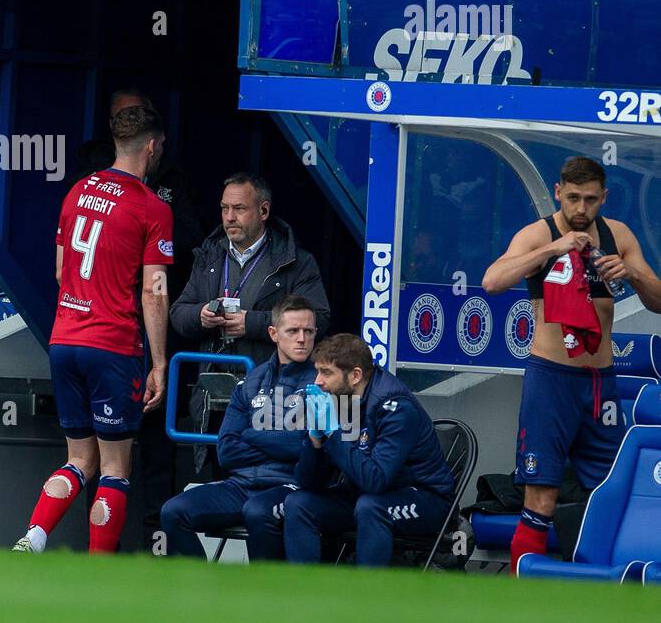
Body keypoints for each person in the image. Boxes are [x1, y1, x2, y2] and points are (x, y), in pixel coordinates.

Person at [482, 156, 661, 570]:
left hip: (600, 383)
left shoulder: (617, 235)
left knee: (609, 489)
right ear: (559, 192)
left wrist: (633, 273)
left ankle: (600, 587)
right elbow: (492, 281)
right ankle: (523, 595)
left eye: (591, 200)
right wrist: (553, 248)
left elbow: (657, 299)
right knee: (540, 495)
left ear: (605, 198)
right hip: (552, 379)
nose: (582, 209)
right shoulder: (538, 233)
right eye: (574, 198)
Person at [12, 106, 172, 555]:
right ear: (153, 146)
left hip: (65, 339)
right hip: (113, 345)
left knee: (79, 459)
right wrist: (159, 362)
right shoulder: (152, 207)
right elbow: (154, 291)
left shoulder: (78, 191)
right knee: (116, 468)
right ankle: (97, 568)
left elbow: (63, 271)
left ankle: (34, 537)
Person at [249, 334, 455, 565]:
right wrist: (315, 441)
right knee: (299, 502)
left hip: (424, 498)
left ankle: (363, 597)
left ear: (355, 375)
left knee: (371, 507)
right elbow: (309, 483)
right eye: (317, 371)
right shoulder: (338, 398)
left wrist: (333, 433)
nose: (317, 381)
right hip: (363, 494)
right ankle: (304, 592)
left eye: (326, 373)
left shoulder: (396, 408)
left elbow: (375, 480)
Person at [158, 295, 317, 559]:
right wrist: (279, 443)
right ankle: (207, 593)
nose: (301, 339)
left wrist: (253, 436)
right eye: (293, 331)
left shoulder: (323, 382)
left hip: (293, 487)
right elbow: (227, 451)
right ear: (273, 334)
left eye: (308, 331)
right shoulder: (252, 381)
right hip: (242, 484)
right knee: (173, 512)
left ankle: (262, 595)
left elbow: (307, 448)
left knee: (257, 511)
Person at [170, 171, 330, 382]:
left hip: (270, 387)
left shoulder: (297, 261)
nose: (229, 217)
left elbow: (319, 318)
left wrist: (252, 323)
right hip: (213, 389)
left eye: (239, 209)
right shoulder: (209, 255)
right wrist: (200, 315)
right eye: (224, 208)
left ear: (264, 211)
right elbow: (178, 313)